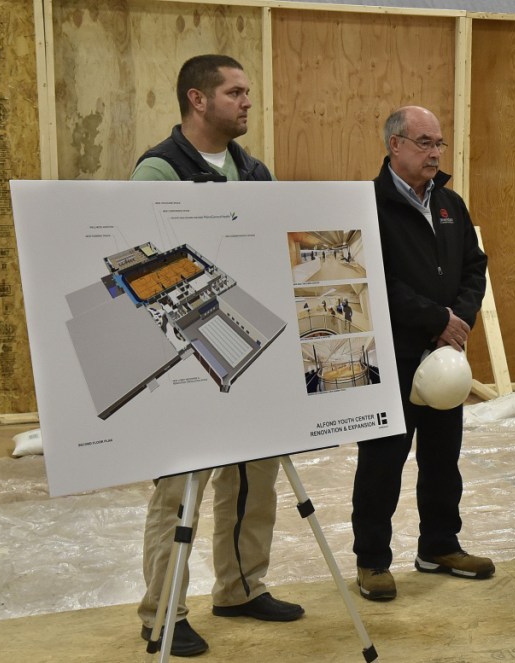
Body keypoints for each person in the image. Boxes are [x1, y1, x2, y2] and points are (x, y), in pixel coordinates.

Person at [132, 54, 303, 657]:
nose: (247, 102)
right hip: (186, 355)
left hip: (247, 347)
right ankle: (163, 614)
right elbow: (146, 267)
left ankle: (240, 587)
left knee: (257, 475)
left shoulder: (254, 172)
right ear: (197, 99)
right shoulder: (158, 170)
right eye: (235, 92)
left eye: (248, 92)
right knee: (180, 488)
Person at [351, 105, 492, 602]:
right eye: (424, 143)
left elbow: (475, 267)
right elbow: (370, 281)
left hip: (444, 358)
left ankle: (439, 546)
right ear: (395, 144)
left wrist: (460, 319)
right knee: (383, 461)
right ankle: (371, 560)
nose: (435, 152)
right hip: (392, 356)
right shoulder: (367, 205)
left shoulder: (451, 203)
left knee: (442, 458)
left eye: (439, 143)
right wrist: (436, 319)